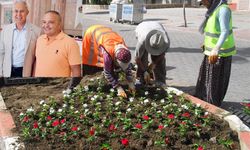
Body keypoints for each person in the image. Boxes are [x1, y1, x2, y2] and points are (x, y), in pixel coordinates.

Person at [195, 0, 236, 106]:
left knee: (214, 84)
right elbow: (213, 31)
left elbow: (224, 31)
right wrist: (206, 43)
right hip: (210, 52)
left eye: (204, 2)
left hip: (220, 54)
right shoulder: (212, 10)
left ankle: (213, 106)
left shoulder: (223, 10)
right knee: (204, 80)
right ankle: (204, 102)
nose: (203, 5)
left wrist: (216, 48)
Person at [82, 25, 135, 98]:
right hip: (91, 34)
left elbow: (127, 66)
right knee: (88, 61)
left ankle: (114, 82)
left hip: (104, 31)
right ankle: (73, 84)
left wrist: (130, 82)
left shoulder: (125, 51)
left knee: (113, 67)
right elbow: (107, 73)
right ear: (115, 58)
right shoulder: (108, 55)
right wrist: (118, 87)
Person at [34, 10, 81, 78]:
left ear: (59, 24)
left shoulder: (70, 43)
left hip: (59, 87)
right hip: (39, 87)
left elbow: (76, 71)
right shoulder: (40, 40)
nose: (46, 25)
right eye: (44, 22)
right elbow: (37, 62)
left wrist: (72, 88)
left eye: (51, 22)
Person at [0, 1, 41, 77]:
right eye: (16, 11)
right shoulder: (5, 30)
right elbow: (1, 53)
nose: (18, 14)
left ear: (27, 12)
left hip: (26, 72)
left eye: (22, 11)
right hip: (7, 71)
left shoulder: (37, 31)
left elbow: (37, 57)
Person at [135, 21, 170, 87]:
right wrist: (145, 71)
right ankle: (143, 80)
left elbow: (162, 55)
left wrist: (154, 63)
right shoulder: (142, 40)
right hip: (142, 27)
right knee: (143, 59)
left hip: (156, 25)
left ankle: (160, 82)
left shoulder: (165, 40)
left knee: (160, 61)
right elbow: (137, 58)